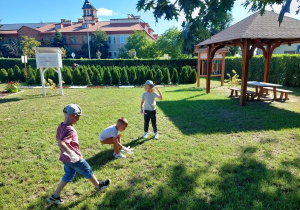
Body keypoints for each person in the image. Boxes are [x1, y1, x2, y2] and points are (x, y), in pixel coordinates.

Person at [47, 104, 110, 205]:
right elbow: (61, 143)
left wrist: (65, 153)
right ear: (72, 116)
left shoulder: (61, 126)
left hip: (65, 158)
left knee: (68, 175)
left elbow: (58, 139)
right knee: (87, 170)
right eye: (78, 116)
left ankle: (55, 196)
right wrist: (72, 154)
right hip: (74, 159)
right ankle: (99, 186)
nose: (79, 119)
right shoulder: (69, 129)